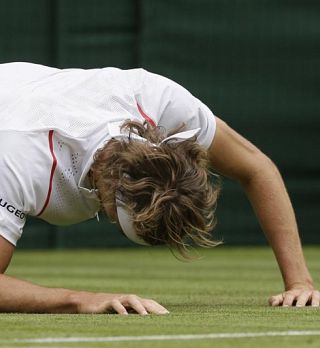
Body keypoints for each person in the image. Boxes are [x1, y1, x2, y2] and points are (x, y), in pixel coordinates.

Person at [0, 62, 318, 315]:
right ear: (111, 201)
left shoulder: (157, 100)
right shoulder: (20, 161)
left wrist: (300, 283)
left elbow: (256, 167)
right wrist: (81, 300)